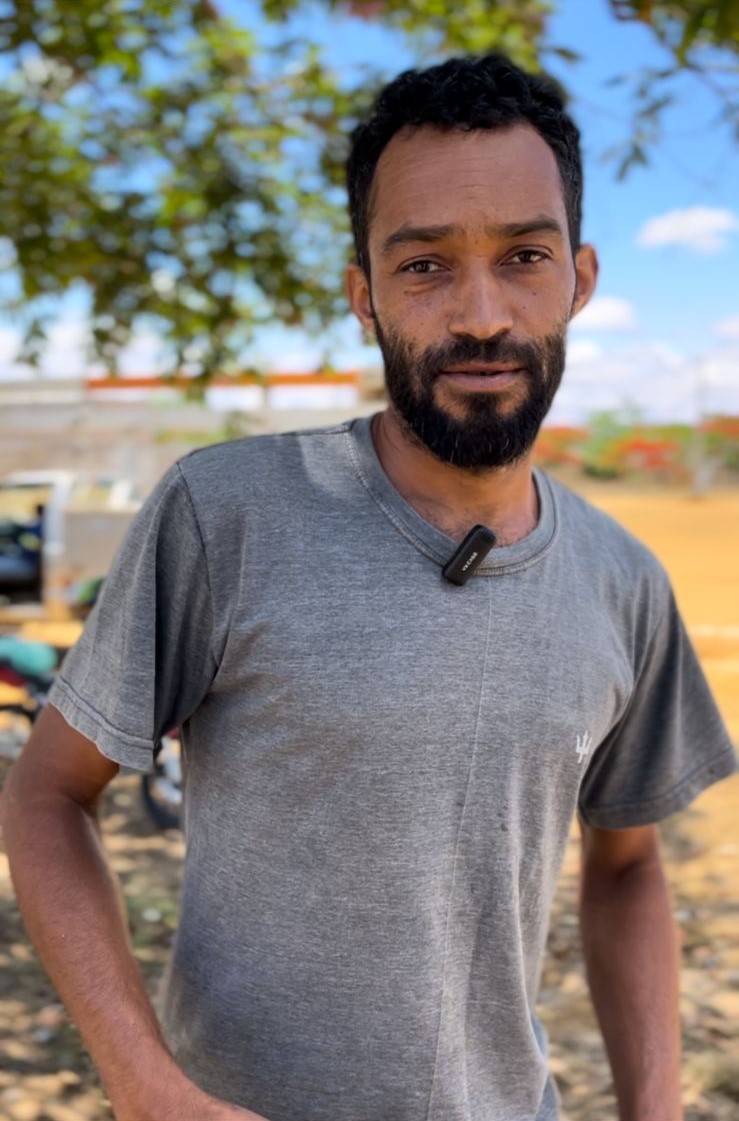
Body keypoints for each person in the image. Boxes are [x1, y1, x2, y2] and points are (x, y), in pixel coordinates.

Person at [3, 53, 736, 1121]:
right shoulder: (225, 513)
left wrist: (654, 1110)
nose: (480, 313)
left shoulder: (622, 578)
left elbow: (625, 864)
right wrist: (146, 1085)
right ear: (365, 296)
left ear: (577, 280)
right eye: (425, 264)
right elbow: (46, 793)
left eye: (523, 256)